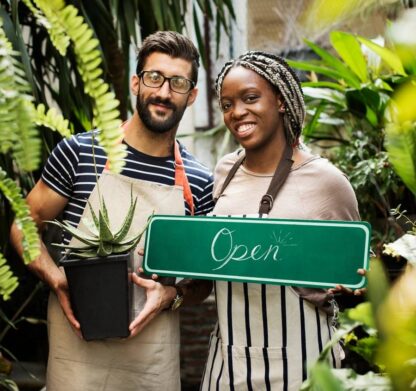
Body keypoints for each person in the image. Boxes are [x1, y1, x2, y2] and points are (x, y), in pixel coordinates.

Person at [10, 31, 213, 390]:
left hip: (152, 362)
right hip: (77, 353)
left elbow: (202, 282)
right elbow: (24, 223)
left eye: (178, 83)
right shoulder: (81, 152)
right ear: (136, 82)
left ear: (192, 95)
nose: (164, 92)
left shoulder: (198, 182)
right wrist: (56, 278)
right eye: (154, 78)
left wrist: (172, 295)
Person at [200, 51, 363, 390]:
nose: (237, 112)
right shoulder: (224, 172)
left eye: (250, 98)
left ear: (281, 101)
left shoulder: (326, 181)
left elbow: (357, 278)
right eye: (227, 105)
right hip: (227, 365)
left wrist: (350, 289)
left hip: (304, 364)